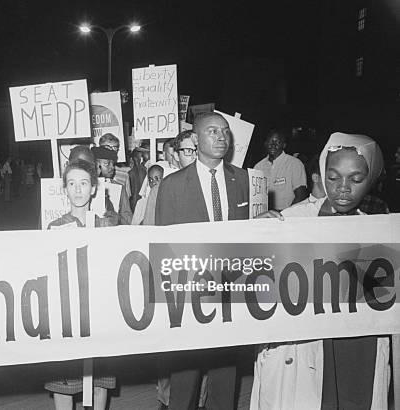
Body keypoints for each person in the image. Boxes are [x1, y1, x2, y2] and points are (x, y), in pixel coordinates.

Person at [252, 132, 389, 410]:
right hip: (306, 345)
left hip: (358, 344)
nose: (343, 188)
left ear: (371, 180)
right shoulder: (292, 221)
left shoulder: (383, 232)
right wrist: (256, 233)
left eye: (356, 179)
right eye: (333, 176)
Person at [155, 112, 250, 410]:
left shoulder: (244, 180)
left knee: (225, 381)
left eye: (225, 131)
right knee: (184, 381)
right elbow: (164, 249)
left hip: (230, 293)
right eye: (212, 131)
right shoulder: (172, 185)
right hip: (188, 294)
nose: (222, 137)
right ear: (195, 139)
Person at [45, 159, 115, 410]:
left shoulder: (106, 225)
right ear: (64, 189)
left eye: (83, 183)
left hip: (99, 313)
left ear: (94, 188)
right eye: (72, 183)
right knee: (64, 381)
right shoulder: (55, 228)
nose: (78, 190)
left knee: (98, 382)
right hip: (68, 315)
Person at [254, 129, 307, 211]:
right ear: (265, 143)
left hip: (288, 217)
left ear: (284, 145)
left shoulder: (294, 164)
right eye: (270, 141)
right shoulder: (258, 167)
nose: (273, 145)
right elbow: (255, 197)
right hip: (265, 217)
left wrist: (284, 215)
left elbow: (301, 196)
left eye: (277, 142)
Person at [92, 146, 133, 225]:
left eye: (113, 164)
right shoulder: (87, 187)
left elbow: (129, 220)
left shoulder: (119, 188)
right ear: (96, 165)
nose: (112, 167)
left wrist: (119, 219)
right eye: (107, 164)